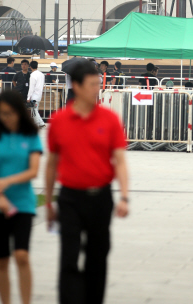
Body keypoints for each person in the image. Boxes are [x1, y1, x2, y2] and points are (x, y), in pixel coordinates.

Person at [45, 60, 129, 304]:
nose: (97, 89)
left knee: (98, 255)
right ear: (77, 86)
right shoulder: (60, 121)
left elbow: (120, 161)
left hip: (101, 198)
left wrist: (124, 195)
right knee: (69, 255)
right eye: (92, 84)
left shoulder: (109, 119)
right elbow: (51, 164)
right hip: (70, 197)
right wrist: (49, 202)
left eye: (98, 84)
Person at [0, 91, 43, 304]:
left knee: (21, 256)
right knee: (1, 260)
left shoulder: (30, 135)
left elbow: (34, 171)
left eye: (11, 113)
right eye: (3, 114)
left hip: (23, 202)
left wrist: (6, 182)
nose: (7, 118)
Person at [27, 61, 45, 128]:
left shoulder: (32, 75)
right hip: (39, 94)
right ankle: (41, 123)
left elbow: (31, 87)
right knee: (35, 110)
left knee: (34, 111)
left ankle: (38, 123)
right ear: (37, 66)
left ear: (30, 67)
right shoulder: (41, 74)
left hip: (34, 95)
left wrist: (28, 97)